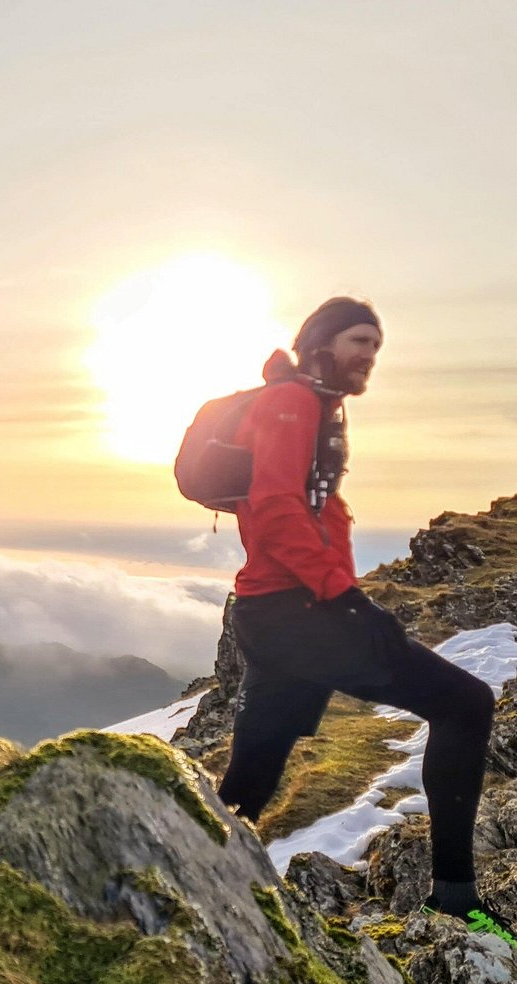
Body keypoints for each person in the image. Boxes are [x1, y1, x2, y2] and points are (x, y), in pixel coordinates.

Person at [216, 297, 514, 944]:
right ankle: (455, 902)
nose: (370, 356)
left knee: (251, 777)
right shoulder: (292, 404)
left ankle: (192, 879)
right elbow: (274, 506)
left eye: (376, 347)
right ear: (322, 342)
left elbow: (304, 506)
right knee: (466, 704)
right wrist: (345, 599)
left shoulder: (311, 404)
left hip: (274, 614)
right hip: (302, 615)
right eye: (360, 342)